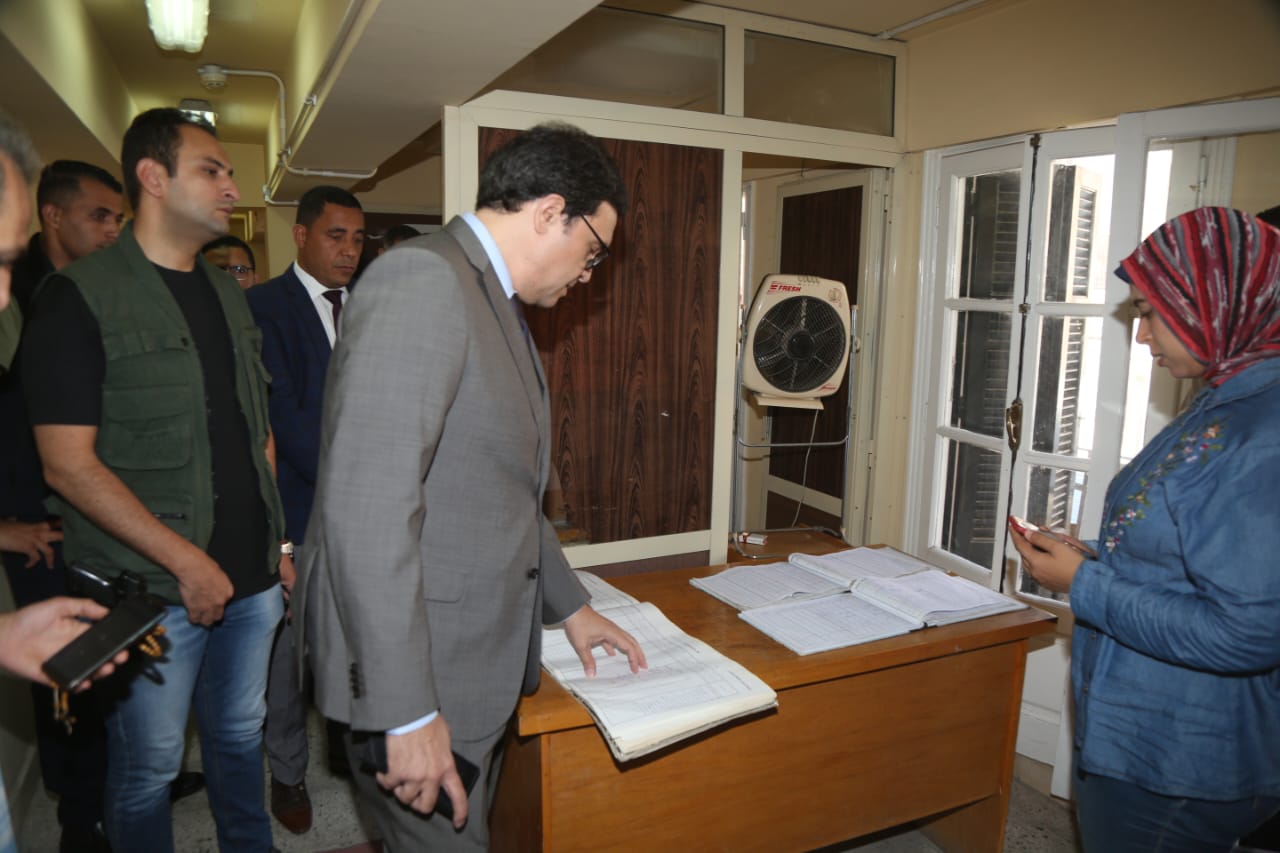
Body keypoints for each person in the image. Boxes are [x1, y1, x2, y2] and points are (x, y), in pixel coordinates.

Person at [294, 122, 648, 849]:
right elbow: (369, 513)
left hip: (467, 664)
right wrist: (405, 712)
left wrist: (572, 608)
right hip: (422, 677)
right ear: (550, 212)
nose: (590, 274)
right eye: (593, 251)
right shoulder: (426, 281)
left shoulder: (489, 296)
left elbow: (501, 488)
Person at [19, 108, 288, 853]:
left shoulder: (227, 292)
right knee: (151, 768)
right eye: (213, 170)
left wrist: (280, 545)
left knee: (240, 735)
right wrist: (187, 563)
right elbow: (67, 464)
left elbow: (255, 427)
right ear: (153, 177)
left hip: (253, 578)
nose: (232, 187)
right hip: (151, 591)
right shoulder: (80, 296)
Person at [1011, 207, 1280, 852]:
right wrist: (1094, 555)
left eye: (1150, 313)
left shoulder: (1261, 434)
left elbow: (1247, 632)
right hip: (1145, 731)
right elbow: (1192, 549)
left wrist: (1084, 583)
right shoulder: (1224, 396)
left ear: (1212, 304)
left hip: (1181, 758)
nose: (1142, 336)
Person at [0, 106, 130, 853]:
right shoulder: (28, 301)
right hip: (36, 523)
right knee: (64, 673)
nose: (112, 230)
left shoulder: (79, 294)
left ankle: (109, 792)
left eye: (118, 219)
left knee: (97, 663)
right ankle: (82, 820)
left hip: (78, 516)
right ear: (53, 217)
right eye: (99, 216)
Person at [247, 184, 365, 834]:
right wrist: (357, 482)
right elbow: (281, 418)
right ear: (300, 235)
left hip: (368, 516)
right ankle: (287, 770)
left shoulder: (369, 303)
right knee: (288, 658)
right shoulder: (263, 307)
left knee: (356, 641)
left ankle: (349, 746)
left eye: (357, 238)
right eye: (335, 235)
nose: (349, 250)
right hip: (298, 510)